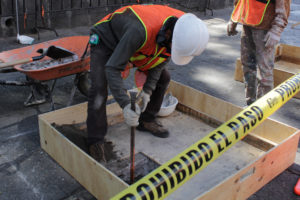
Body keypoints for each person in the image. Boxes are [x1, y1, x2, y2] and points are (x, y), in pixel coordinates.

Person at [87, 4, 209, 162]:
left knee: (163, 78)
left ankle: (147, 119)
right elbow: (112, 68)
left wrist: (146, 92)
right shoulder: (140, 31)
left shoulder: (185, 28)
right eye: (174, 49)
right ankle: (95, 140)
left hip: (141, 42)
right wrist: (125, 104)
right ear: (168, 34)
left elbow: (160, 62)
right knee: (98, 86)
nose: (173, 53)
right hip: (107, 38)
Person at [227, 0, 290, 106]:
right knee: (247, 66)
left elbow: (284, 4)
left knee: (264, 72)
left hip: (265, 28)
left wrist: (276, 30)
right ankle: (250, 104)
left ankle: (263, 109)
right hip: (247, 24)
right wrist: (233, 19)